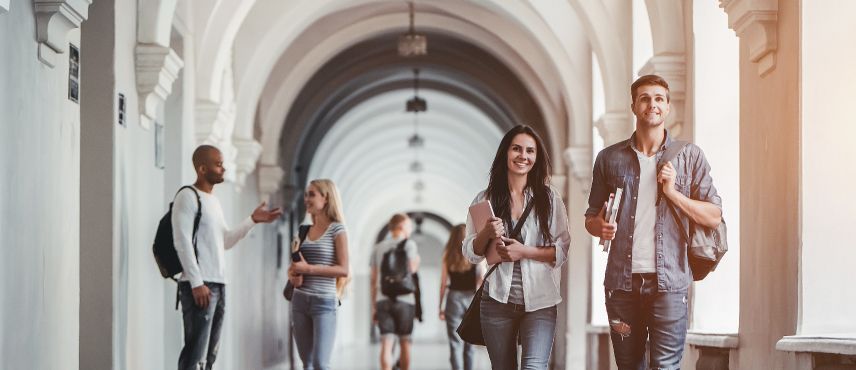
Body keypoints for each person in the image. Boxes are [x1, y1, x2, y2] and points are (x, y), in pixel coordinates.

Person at [584, 74, 723, 370]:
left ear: (668, 106)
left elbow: (713, 215)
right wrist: (601, 226)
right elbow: (590, 218)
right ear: (634, 105)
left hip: (670, 285)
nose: (652, 104)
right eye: (645, 98)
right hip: (621, 286)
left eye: (659, 98)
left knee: (665, 367)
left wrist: (673, 193)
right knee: (629, 366)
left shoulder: (689, 157)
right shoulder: (609, 159)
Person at [462, 125, 571, 370]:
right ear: (506, 153)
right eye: (517, 149)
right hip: (497, 301)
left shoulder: (550, 199)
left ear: (536, 157)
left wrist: (524, 252)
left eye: (530, 151)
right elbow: (470, 253)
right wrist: (487, 234)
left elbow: (562, 250)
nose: (523, 156)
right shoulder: (484, 199)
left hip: (541, 302)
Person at [173, 145, 282, 370]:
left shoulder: (213, 201)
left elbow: (225, 241)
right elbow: (181, 242)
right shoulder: (188, 196)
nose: (224, 168)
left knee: (210, 355)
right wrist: (196, 282)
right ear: (202, 169)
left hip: (219, 284)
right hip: (200, 286)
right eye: (219, 164)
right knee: (195, 354)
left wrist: (253, 220)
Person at [287, 179, 350, 370]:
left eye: (312, 194)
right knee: (306, 364)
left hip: (324, 303)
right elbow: (295, 265)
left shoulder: (337, 230)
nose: (306, 199)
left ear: (326, 198)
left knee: (320, 364)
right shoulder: (303, 230)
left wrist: (309, 269)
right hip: (299, 301)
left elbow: (344, 269)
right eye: (306, 195)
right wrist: (293, 275)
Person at [370, 213, 421, 370]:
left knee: (386, 343)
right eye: (409, 226)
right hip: (405, 299)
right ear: (401, 226)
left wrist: (374, 305)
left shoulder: (378, 248)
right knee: (405, 342)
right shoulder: (410, 245)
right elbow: (411, 270)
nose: (410, 229)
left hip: (383, 298)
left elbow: (373, 280)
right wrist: (417, 261)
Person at [439, 224, 484, 370]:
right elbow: (480, 278)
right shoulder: (474, 253)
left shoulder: (447, 254)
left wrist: (440, 307)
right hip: (470, 298)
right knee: (469, 343)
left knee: (454, 343)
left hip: (453, 299)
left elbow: (443, 283)